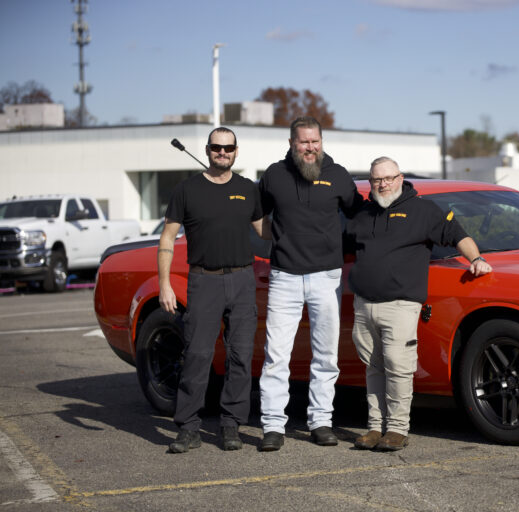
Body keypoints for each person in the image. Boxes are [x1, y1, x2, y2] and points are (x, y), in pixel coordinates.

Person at [345, 156, 492, 451]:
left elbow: (457, 234)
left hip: (400, 305)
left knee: (398, 367)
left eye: (388, 178)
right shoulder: (362, 213)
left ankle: (397, 429)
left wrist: (476, 259)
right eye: (377, 180)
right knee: (373, 368)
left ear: (400, 178)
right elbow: (341, 248)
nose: (383, 185)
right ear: (371, 182)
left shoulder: (423, 210)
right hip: (364, 305)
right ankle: (375, 427)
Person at [257, 116, 363, 451]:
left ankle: (321, 422)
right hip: (285, 276)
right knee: (276, 355)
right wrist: (273, 243)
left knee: (325, 355)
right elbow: (256, 213)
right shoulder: (274, 175)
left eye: (315, 141)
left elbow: (360, 215)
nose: (310, 148)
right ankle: (273, 426)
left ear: (321, 142)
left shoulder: (337, 175)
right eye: (304, 142)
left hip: (327, 277)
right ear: (291, 143)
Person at [158, 127, 266, 454]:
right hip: (203, 280)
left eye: (228, 147)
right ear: (207, 150)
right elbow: (166, 239)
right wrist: (164, 282)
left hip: (242, 280)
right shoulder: (186, 190)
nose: (222, 152)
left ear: (236, 151)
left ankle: (231, 425)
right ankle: (188, 427)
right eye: (216, 147)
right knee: (197, 355)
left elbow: (266, 232)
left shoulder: (248, 190)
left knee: (240, 356)